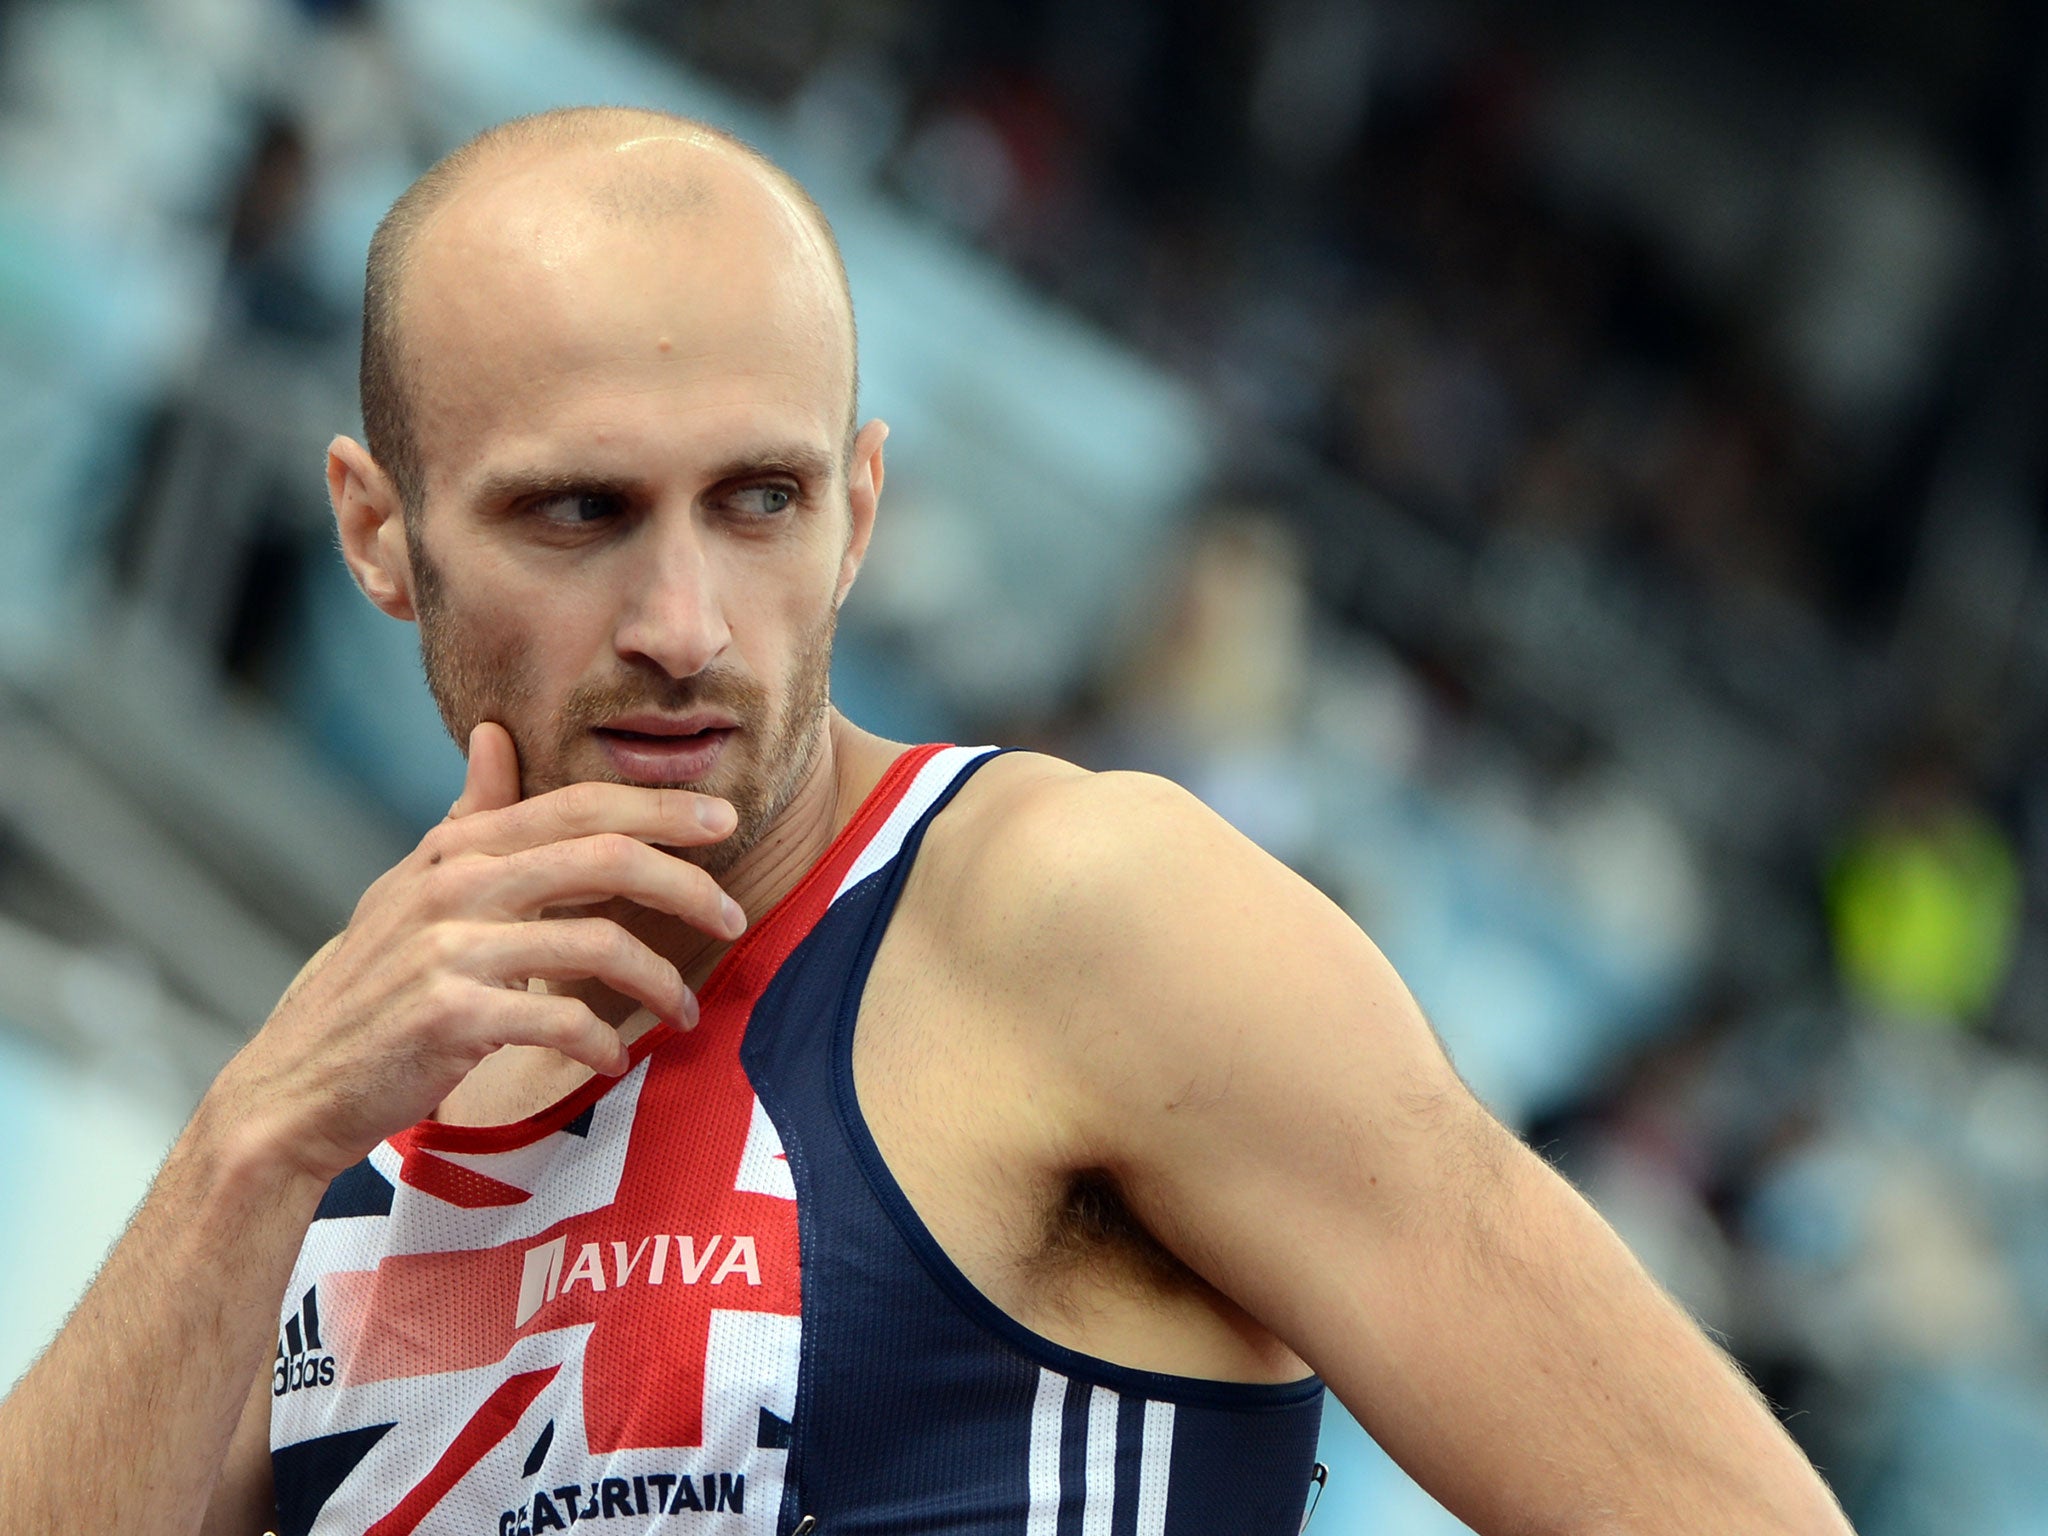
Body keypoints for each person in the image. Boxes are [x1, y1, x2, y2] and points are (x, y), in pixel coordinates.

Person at [0, 107, 1855, 1536]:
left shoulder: (1074, 919)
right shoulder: (346, 1142)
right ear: (378, 533)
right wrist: (250, 1142)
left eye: (760, 501)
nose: (682, 624)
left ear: (863, 510)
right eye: (576, 513)